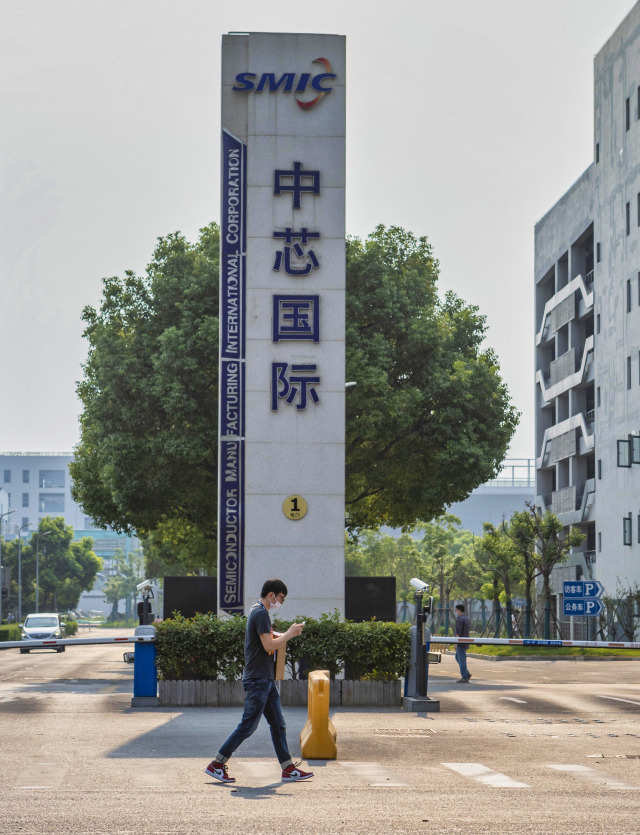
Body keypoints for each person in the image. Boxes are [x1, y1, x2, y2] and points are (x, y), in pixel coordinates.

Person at [205, 578, 314, 784]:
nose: (280, 602)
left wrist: (284, 634)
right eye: (281, 598)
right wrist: (289, 634)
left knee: (278, 724)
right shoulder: (260, 613)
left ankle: (288, 768)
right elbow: (268, 645)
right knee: (248, 726)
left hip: (265, 679)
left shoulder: (257, 611)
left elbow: (268, 641)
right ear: (272, 594)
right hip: (258, 680)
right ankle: (217, 764)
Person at [454, 603, 471, 683]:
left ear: (459, 610)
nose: (456, 611)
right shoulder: (466, 618)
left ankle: (464, 677)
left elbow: (458, 632)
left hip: (460, 642)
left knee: (461, 660)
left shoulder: (460, 619)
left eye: (456, 609)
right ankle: (466, 673)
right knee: (458, 657)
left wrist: (456, 643)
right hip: (466, 640)